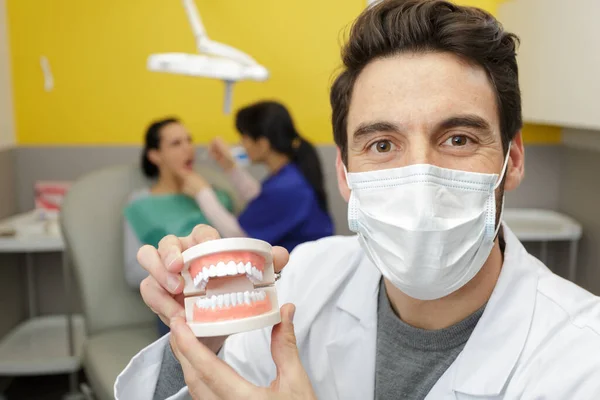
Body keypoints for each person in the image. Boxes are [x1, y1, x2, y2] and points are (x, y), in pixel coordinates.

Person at [115, 1, 600, 399]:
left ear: (512, 160)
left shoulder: (582, 360)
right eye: (383, 145)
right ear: (345, 176)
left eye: (457, 139)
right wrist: (199, 342)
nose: (420, 181)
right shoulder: (305, 281)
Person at [123, 117, 234, 335]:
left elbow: (240, 242)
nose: (188, 149)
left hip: (230, 296)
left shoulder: (215, 197)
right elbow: (133, 271)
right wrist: (181, 273)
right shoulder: (139, 205)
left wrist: (206, 197)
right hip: (179, 302)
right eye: (176, 143)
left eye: (189, 140)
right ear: (155, 155)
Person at [187, 100, 334, 253]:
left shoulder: (286, 187)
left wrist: (202, 192)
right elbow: (263, 201)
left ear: (263, 144)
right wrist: (230, 168)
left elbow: (240, 235)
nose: (241, 144)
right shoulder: (290, 176)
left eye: (244, 137)